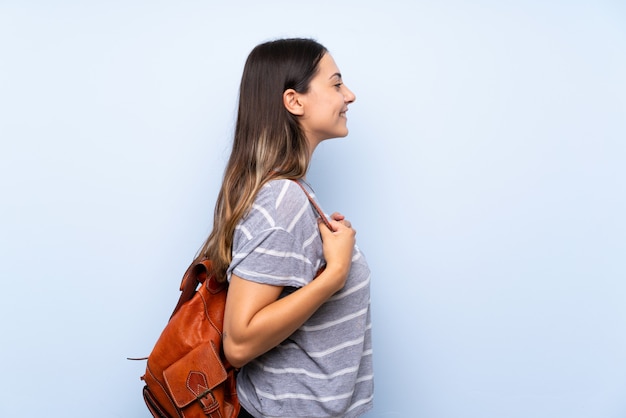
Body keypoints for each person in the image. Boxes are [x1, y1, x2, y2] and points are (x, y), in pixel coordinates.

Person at [198, 38, 373, 418]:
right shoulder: (283, 201)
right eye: (336, 83)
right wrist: (334, 275)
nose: (350, 95)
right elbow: (239, 343)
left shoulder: (292, 194)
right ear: (295, 101)